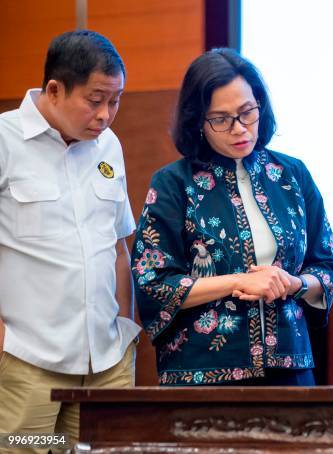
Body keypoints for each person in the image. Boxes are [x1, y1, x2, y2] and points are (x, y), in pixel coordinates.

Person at [132, 48, 333, 386]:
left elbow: (329, 267)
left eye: (248, 112)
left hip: (290, 369)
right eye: (221, 119)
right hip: (200, 374)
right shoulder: (173, 184)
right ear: (198, 122)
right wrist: (236, 282)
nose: (240, 128)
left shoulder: (291, 175)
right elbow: (152, 282)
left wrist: (295, 284)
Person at [0, 30, 140, 450]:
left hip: (108, 359)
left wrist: (127, 330)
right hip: (28, 360)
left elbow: (118, 248)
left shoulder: (108, 146)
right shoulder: (5, 141)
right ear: (55, 90)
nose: (106, 115)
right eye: (95, 100)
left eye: (115, 101)